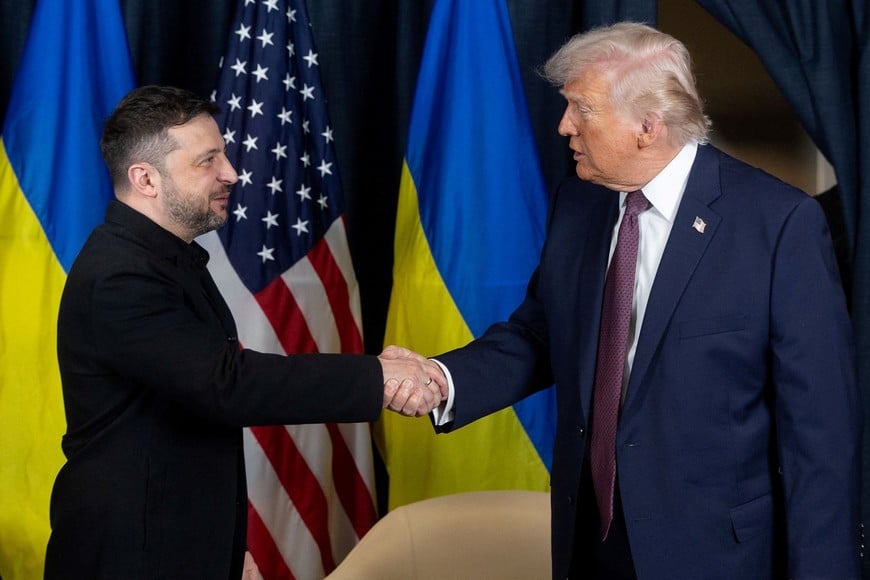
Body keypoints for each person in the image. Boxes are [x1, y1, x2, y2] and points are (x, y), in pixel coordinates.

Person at [382, 22, 862, 579]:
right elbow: (542, 334)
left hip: (716, 554)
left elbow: (820, 436)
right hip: (591, 539)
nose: (564, 127)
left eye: (581, 109)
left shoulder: (777, 225)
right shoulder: (578, 205)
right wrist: (444, 379)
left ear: (647, 126)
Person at [44, 85, 446, 579]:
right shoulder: (121, 275)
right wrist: (376, 377)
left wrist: (224, 547)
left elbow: (185, 419)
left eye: (225, 156)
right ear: (145, 179)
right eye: (207, 161)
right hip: (130, 554)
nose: (231, 173)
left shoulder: (163, 258)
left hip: (179, 544)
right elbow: (227, 384)